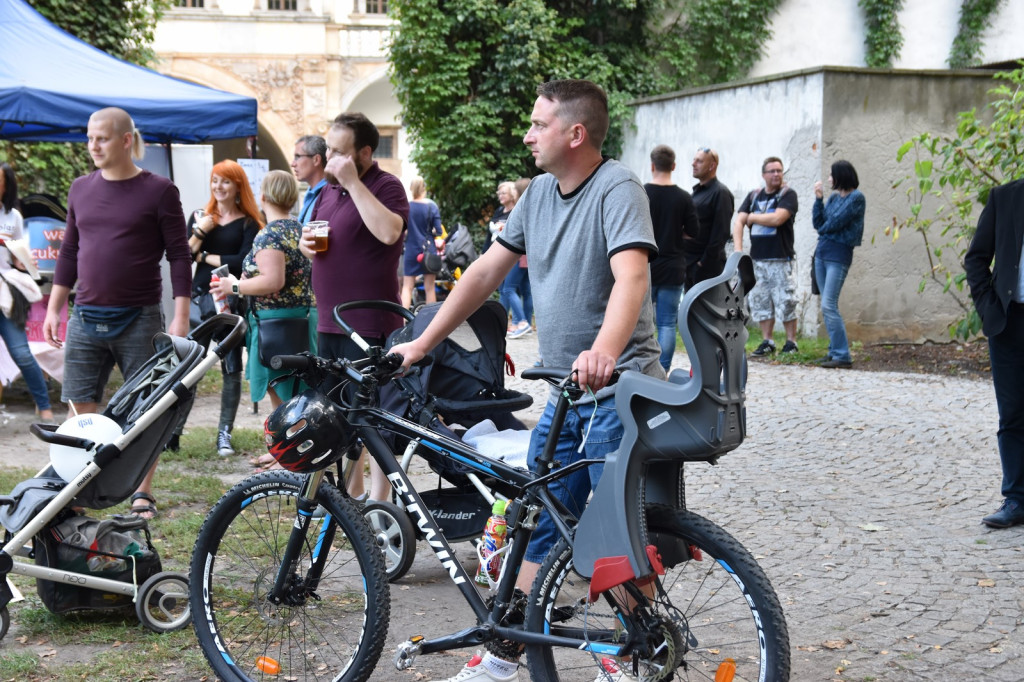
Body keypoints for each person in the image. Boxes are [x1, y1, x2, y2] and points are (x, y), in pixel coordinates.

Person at [392, 78, 662, 682]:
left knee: (610, 529)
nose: (527, 135)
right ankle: (504, 653)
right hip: (569, 393)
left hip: (618, 389)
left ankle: (642, 649)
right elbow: (484, 273)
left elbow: (632, 277)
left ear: (575, 133)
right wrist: (422, 342)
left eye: (539, 124)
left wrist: (604, 352)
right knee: (535, 522)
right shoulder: (538, 194)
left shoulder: (617, 187)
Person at [43, 107, 191, 519]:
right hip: (84, 316)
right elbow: (69, 251)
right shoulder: (80, 189)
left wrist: (181, 316)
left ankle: (142, 492)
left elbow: (179, 255)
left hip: (140, 317)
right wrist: (55, 307)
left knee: (147, 408)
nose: (93, 146)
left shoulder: (160, 190)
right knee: (79, 409)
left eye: (102, 138)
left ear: (126, 140)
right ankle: (81, 490)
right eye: (89, 138)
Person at [298, 111, 409, 502]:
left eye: (339, 152)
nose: (329, 159)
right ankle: (352, 494)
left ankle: (381, 503)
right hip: (330, 322)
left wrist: (352, 182)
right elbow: (317, 241)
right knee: (337, 414)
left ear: (364, 153)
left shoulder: (385, 185)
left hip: (369, 323)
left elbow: (389, 232)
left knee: (373, 416)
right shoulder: (327, 192)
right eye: (328, 150)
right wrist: (304, 246)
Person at [176, 160, 262, 456]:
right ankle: (173, 432)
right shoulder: (199, 217)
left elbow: (242, 261)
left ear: (238, 186)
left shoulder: (250, 222)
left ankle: (224, 434)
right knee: (189, 367)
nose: (219, 187)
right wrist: (200, 233)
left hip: (230, 303)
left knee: (231, 368)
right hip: (200, 300)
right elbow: (183, 256)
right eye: (215, 180)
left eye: (225, 181)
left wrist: (204, 256)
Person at [215, 170, 316, 415]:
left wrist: (234, 286)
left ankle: (283, 440)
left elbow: (272, 281)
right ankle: (285, 440)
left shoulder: (269, 235)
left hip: (275, 325)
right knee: (297, 394)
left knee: (281, 394)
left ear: (263, 197)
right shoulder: (299, 229)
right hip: (302, 319)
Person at [964, 177, 1024, 529]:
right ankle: (1016, 498)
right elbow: (976, 259)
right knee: (1012, 412)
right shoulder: (1004, 198)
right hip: (1010, 321)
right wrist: (989, 308)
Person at [0, 163, 54, 422]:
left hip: (6, 293)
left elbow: (17, 256)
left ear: (6, 186)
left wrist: (23, 261)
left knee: (21, 352)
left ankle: (44, 407)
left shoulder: (13, 217)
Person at [733, 156, 799, 356]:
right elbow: (739, 221)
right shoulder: (754, 196)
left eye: (779, 170)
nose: (776, 174)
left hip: (781, 259)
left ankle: (791, 342)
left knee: (786, 300)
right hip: (758, 260)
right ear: (764, 175)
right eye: (772, 171)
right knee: (761, 301)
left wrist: (753, 217)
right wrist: (738, 250)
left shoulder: (787, 194)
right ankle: (767, 341)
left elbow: (778, 218)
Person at [645, 144, 701, 371]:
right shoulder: (684, 197)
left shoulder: (642, 193)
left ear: (652, 166)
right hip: (673, 267)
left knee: (641, 323)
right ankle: (663, 370)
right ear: (674, 166)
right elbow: (694, 232)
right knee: (667, 323)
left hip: (645, 267)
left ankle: (643, 369)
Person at [812, 160, 865, 369]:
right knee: (826, 306)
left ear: (841, 176)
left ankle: (842, 355)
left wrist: (824, 229)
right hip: (822, 253)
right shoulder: (833, 198)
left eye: (831, 175)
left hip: (839, 255)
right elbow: (819, 223)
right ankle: (834, 351)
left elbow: (835, 222)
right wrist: (818, 200)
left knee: (829, 304)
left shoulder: (857, 198)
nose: (828, 179)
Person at [690, 146, 733, 287]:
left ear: (712, 166)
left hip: (707, 269)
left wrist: (703, 262)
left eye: (699, 161)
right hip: (691, 265)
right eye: (694, 160)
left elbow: (721, 233)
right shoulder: (696, 192)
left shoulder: (720, 193)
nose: (693, 164)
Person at [400, 176, 442, 309]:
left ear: (411, 189)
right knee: (430, 288)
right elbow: (439, 231)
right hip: (428, 251)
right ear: (424, 189)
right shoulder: (431, 207)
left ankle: (403, 319)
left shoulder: (406, 207)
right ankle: (430, 319)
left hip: (411, 250)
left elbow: (402, 230)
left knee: (407, 287)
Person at [292, 135, 328, 224]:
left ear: (316, 160)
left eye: (298, 157)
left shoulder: (329, 194)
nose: (292, 164)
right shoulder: (311, 193)